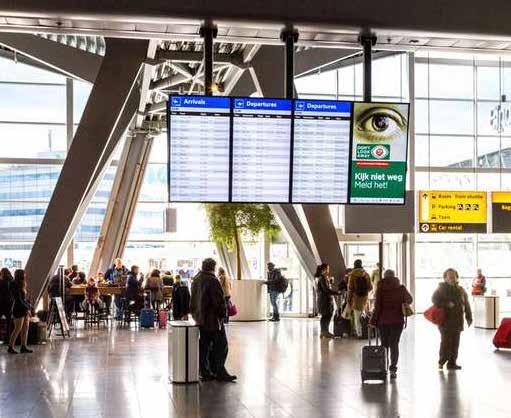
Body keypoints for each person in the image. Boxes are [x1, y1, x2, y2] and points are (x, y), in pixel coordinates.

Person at [191, 258, 236, 382]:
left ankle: (205, 371)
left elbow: (194, 299)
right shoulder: (212, 280)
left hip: (200, 318)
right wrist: (223, 314)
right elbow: (218, 301)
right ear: (213, 267)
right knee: (221, 346)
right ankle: (219, 371)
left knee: (205, 346)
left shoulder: (196, 279)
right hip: (212, 320)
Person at [370, 269, 413, 379]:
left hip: (383, 321)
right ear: (394, 276)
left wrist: (373, 322)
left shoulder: (380, 289)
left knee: (384, 345)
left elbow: (377, 308)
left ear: (384, 277)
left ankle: (383, 367)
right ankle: (393, 369)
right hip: (397, 321)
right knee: (394, 344)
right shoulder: (401, 288)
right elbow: (410, 299)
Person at [432, 268, 473, 370]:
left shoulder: (461, 289)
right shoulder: (441, 289)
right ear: (445, 278)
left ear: (456, 277)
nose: (452, 277)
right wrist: (446, 304)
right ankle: (442, 361)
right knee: (446, 342)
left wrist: (469, 316)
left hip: (458, 320)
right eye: (449, 276)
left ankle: (452, 363)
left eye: (453, 275)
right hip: (445, 321)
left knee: (455, 343)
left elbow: (466, 303)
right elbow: (434, 299)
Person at [8, 269, 33, 354]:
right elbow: (18, 299)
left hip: (24, 308)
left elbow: (23, 299)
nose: (25, 275)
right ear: (21, 275)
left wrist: (28, 307)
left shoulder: (22, 284)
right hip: (18, 309)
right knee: (17, 328)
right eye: (24, 274)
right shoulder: (13, 284)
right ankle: (10, 347)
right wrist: (27, 307)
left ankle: (23, 346)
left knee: (25, 328)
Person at [348, 259, 372, 338]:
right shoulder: (366, 274)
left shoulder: (352, 275)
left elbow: (350, 288)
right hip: (364, 298)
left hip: (356, 298)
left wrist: (349, 299)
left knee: (357, 317)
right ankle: (366, 332)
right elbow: (370, 287)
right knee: (364, 316)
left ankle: (359, 333)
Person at [315, 263, 340, 339]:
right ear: (324, 269)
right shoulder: (322, 278)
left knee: (326, 315)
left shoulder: (322, 277)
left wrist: (330, 282)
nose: (328, 270)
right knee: (326, 315)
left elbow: (324, 287)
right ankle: (324, 332)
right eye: (328, 268)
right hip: (324, 300)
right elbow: (325, 289)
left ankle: (324, 332)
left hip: (323, 300)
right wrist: (336, 292)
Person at [0, 268, 14, 344]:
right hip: (9, 304)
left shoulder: (1, 281)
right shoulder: (12, 281)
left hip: (1, 304)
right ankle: (7, 339)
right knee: (8, 323)